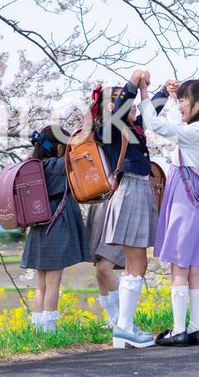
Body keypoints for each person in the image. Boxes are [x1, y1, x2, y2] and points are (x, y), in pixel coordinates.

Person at [138, 77, 199, 347]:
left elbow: (154, 124)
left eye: (185, 99)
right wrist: (173, 98)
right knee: (194, 270)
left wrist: (144, 93)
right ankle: (195, 329)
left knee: (179, 268)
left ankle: (177, 330)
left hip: (187, 205)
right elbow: (180, 123)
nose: (181, 104)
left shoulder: (195, 132)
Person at [100, 70, 169, 348]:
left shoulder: (133, 128)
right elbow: (119, 110)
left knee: (135, 262)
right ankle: (124, 328)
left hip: (136, 190)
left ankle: (124, 327)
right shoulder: (110, 129)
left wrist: (163, 89)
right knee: (138, 262)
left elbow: (150, 113)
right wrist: (133, 81)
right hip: (131, 190)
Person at [20, 125, 91, 332]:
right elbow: (81, 156)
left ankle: (38, 327)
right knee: (53, 283)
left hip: (39, 227)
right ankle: (50, 326)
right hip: (56, 225)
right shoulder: (57, 165)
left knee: (41, 284)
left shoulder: (34, 166)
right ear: (59, 148)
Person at [85, 86, 126, 327]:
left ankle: (123, 317)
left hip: (120, 201)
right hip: (101, 202)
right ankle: (113, 319)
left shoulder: (126, 129)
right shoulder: (100, 131)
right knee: (100, 268)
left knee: (105, 267)